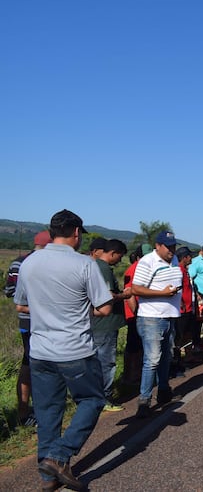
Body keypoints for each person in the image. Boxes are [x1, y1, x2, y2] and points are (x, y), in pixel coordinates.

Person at [14, 209, 113, 490]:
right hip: (74, 350)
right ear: (77, 233)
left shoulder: (30, 263)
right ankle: (59, 456)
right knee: (92, 400)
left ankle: (48, 477)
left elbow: (21, 304)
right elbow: (104, 307)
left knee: (47, 413)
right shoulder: (84, 264)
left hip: (40, 350)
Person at [131, 231, 183, 419]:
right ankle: (144, 400)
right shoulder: (148, 261)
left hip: (169, 315)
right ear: (158, 245)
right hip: (152, 317)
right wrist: (162, 294)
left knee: (166, 356)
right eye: (168, 247)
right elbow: (136, 289)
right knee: (152, 359)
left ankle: (163, 390)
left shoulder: (174, 259)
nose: (172, 250)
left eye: (173, 246)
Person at [4, 230, 52, 427]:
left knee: (28, 362)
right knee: (43, 365)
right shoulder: (46, 263)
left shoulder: (18, 262)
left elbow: (8, 291)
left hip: (25, 320)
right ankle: (38, 412)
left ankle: (24, 411)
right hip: (45, 320)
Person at [92, 238, 130, 412]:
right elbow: (108, 296)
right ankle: (104, 397)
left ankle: (95, 397)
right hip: (105, 324)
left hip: (96, 323)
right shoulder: (104, 269)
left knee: (96, 362)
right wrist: (124, 295)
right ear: (113, 253)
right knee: (106, 362)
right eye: (119, 256)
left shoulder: (93, 266)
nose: (119, 260)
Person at [121, 243, 153, 385]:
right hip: (135, 313)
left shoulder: (145, 267)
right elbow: (129, 294)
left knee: (140, 346)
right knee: (133, 346)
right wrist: (136, 313)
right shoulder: (133, 269)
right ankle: (129, 376)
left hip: (143, 312)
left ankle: (137, 374)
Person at [173, 246, 196, 376]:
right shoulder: (179, 271)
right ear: (184, 257)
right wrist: (180, 302)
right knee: (179, 337)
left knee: (187, 334)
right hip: (181, 310)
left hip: (188, 308)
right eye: (189, 256)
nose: (190, 258)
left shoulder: (185, 271)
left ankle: (187, 358)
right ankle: (177, 363)